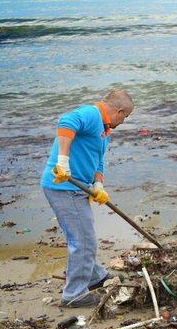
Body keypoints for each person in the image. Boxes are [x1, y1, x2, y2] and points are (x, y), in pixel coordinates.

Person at [40, 89, 134, 307]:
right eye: (125, 117)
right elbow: (66, 122)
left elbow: (98, 159)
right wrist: (62, 161)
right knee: (82, 241)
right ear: (118, 111)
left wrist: (98, 184)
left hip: (80, 188)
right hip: (63, 186)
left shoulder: (104, 129)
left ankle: (94, 276)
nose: (123, 121)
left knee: (83, 236)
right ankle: (74, 295)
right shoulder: (92, 114)